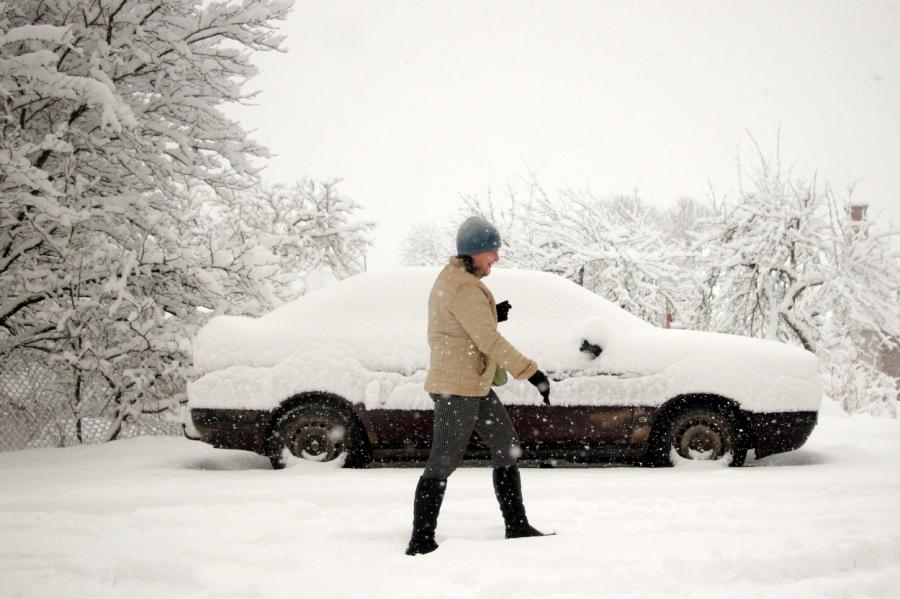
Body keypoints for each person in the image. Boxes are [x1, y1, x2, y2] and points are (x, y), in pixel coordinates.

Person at [405, 215, 553, 556]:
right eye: (492, 251)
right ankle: (420, 540)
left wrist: (490, 313)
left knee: (506, 445)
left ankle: (516, 525)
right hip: (458, 388)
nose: (496, 258)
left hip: (471, 382)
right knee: (443, 460)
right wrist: (533, 373)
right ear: (473, 253)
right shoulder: (465, 287)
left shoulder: (454, 279)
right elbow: (488, 341)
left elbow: (459, 324)